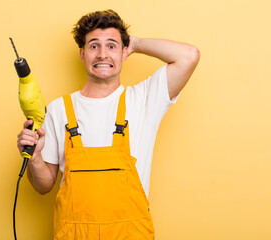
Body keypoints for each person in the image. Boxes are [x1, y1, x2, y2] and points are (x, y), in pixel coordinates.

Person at [17, 9, 200, 239]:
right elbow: (43, 186)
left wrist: (135, 43)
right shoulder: (59, 109)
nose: (103, 54)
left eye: (111, 46)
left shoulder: (144, 100)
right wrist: (34, 158)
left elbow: (189, 56)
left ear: (125, 53)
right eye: (94, 46)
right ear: (82, 54)